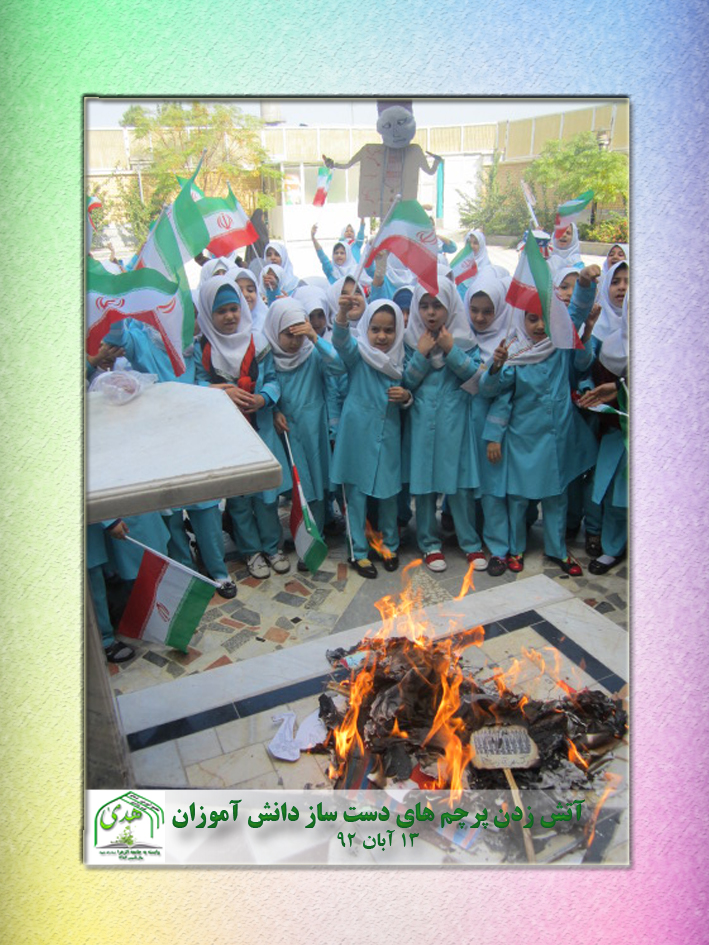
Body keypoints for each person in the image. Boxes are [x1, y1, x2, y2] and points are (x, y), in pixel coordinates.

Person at [480, 265, 601, 576]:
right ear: (521, 320)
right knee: (518, 499)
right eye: (531, 319)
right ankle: (516, 548)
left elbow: (576, 312)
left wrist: (584, 284)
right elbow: (496, 395)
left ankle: (557, 550)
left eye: (544, 319)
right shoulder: (515, 354)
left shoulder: (559, 345)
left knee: (556, 497)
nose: (538, 325)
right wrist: (495, 368)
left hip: (556, 438)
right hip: (522, 440)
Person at [195, 273, 291, 580]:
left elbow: (274, 380)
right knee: (238, 499)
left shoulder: (258, 341)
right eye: (221, 311)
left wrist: (263, 399)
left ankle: (272, 547)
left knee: (266, 496)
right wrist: (223, 391)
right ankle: (251, 551)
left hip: (260, 430)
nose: (229, 316)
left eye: (234, 308)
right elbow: (196, 385)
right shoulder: (203, 348)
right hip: (227, 437)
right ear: (208, 313)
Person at [402, 273, 486, 572]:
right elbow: (405, 383)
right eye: (424, 306)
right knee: (424, 485)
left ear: (450, 306)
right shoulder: (411, 341)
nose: (431, 313)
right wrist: (421, 354)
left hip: (455, 423)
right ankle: (429, 543)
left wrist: (451, 350)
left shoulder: (464, 340)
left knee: (460, 485)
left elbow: (476, 379)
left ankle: (470, 543)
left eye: (437, 305)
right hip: (422, 422)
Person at [331, 296, 411, 578]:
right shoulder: (359, 355)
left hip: (387, 436)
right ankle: (359, 552)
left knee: (388, 494)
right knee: (356, 496)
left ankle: (389, 546)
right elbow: (341, 341)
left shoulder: (401, 359)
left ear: (399, 331)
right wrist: (342, 314)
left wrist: (406, 396)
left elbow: (412, 388)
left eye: (389, 330)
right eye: (375, 329)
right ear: (365, 328)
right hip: (357, 437)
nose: (382, 336)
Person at [265, 298, 344, 571]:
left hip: (315, 430)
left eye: (299, 335)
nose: (294, 342)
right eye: (288, 335)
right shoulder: (269, 358)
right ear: (274, 330)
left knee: (318, 487)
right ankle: (302, 535)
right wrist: (274, 411)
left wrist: (314, 337)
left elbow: (338, 366)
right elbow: (267, 387)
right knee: (300, 487)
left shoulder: (312, 353)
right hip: (288, 432)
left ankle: (313, 540)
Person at [461, 271, 515, 576]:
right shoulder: (461, 337)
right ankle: (469, 540)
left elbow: (505, 395)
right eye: (474, 310)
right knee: (466, 485)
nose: (480, 318)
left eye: (488, 311)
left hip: (488, 430)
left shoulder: (507, 344)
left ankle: (498, 549)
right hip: (462, 426)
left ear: (500, 311)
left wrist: (494, 434)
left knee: (492, 490)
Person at [593, 260, 628, 343]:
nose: (622, 287)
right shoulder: (593, 329)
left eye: (628, 282)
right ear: (606, 287)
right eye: (615, 282)